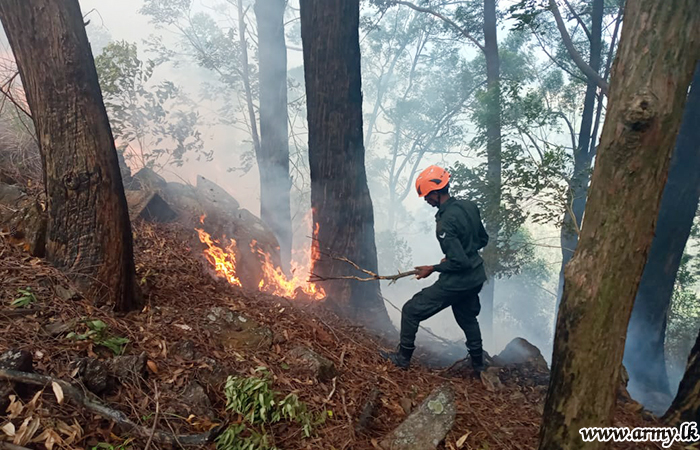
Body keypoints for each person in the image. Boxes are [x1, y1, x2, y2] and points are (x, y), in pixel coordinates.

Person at [381, 165, 489, 373]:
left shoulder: (445, 222)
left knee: (411, 310)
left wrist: (434, 267)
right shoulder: (469, 206)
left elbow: (460, 264)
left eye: (427, 196)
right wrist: (456, 254)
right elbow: (483, 239)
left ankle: (403, 359)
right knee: (467, 317)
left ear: (437, 193)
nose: (426, 200)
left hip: (458, 281)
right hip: (476, 276)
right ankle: (478, 366)